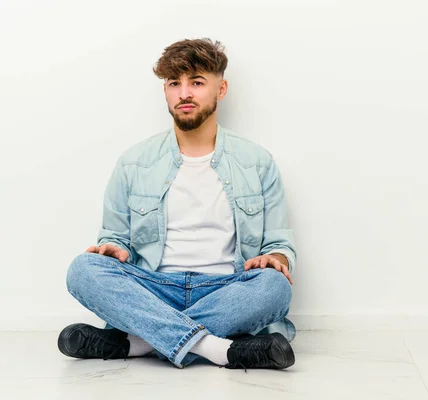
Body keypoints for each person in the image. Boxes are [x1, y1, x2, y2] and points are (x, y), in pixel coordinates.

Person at [57, 38, 297, 370]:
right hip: (155, 289)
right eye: (174, 83)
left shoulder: (258, 163)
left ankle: (139, 343)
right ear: (166, 91)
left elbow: (279, 244)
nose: (184, 93)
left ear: (221, 89)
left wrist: (276, 258)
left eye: (197, 82)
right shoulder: (133, 163)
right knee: (83, 270)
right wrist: (113, 247)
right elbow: (114, 237)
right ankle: (221, 350)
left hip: (226, 289)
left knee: (274, 286)